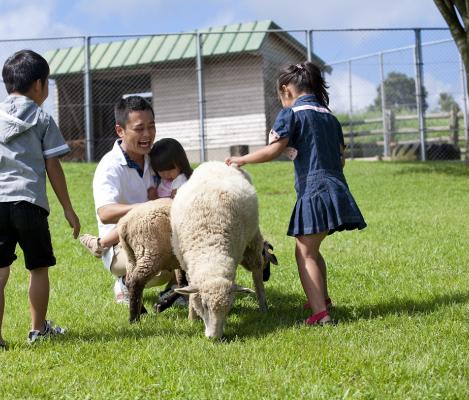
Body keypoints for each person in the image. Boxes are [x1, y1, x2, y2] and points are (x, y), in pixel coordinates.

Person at [225, 61, 366, 326]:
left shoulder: (291, 114)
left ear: (285, 90)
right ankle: (321, 299)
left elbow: (274, 150)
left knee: (304, 252)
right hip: (336, 186)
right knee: (312, 248)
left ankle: (321, 314)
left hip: (314, 189)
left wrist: (241, 159)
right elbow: (341, 159)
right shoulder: (329, 117)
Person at [0, 49, 81, 353]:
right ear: (39, 84)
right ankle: (38, 330)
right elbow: (53, 166)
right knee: (39, 269)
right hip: (29, 204)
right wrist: (68, 209)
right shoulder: (43, 118)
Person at [79, 96, 175, 304]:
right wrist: (148, 208)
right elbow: (105, 214)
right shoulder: (109, 166)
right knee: (159, 263)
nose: (147, 134)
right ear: (120, 131)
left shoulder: (156, 158)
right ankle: (125, 282)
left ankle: (177, 292)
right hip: (120, 246)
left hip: (155, 232)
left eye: (151, 126)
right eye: (139, 129)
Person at [80, 137, 192, 258]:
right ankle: (101, 244)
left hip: (169, 220)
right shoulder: (164, 180)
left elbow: (173, 200)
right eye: (161, 171)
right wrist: (153, 197)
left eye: (170, 169)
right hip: (157, 218)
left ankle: (101, 243)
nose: (166, 174)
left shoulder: (180, 179)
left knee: (132, 221)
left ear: (180, 163)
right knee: (129, 221)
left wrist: (154, 202)